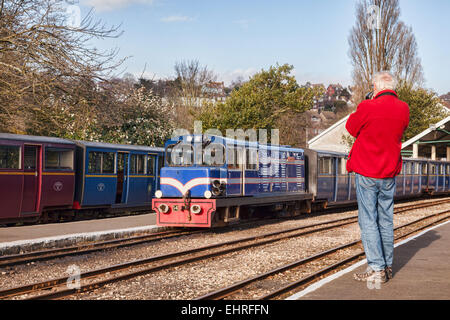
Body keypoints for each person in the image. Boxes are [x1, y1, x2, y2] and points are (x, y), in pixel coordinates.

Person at [345, 71, 410, 284]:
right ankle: (387, 266)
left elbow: (351, 127)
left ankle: (376, 268)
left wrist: (365, 104)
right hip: (389, 171)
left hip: (367, 171)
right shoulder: (404, 108)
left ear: (375, 87)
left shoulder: (368, 107)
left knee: (368, 220)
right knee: (385, 219)